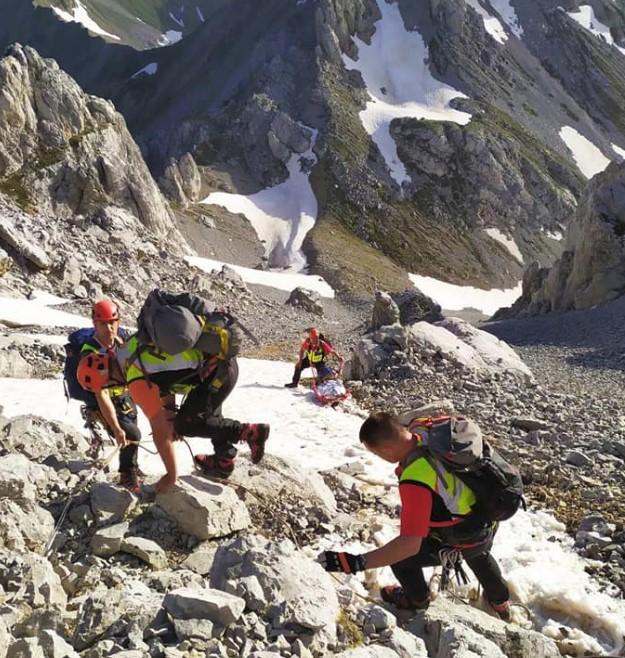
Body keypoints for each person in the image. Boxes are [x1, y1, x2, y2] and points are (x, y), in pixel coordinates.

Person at [319, 412, 511, 621]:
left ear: (386, 449)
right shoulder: (426, 428)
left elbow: (409, 545)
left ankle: (417, 600)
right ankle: (500, 602)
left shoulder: (415, 477)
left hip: (464, 533)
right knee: (479, 556)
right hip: (490, 510)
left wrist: (355, 562)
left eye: (377, 454)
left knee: (402, 560)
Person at [77, 291, 269, 494]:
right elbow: (164, 374)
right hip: (218, 365)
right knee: (203, 413)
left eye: (109, 386)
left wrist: (171, 475)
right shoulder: (130, 347)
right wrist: (169, 413)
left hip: (218, 372)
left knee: (188, 423)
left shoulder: (135, 380)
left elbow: (159, 431)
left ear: (109, 380)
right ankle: (223, 460)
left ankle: (250, 432)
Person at [80, 299, 142, 493]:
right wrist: (115, 428)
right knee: (131, 433)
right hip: (100, 400)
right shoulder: (90, 352)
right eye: (103, 323)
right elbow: (101, 393)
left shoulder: (122, 338)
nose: (109, 328)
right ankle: (127, 476)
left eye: (112, 322)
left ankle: (130, 467)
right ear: (95, 324)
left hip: (123, 395)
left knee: (133, 430)